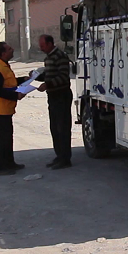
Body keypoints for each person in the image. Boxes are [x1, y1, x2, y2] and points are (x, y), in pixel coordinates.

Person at [0, 42, 28, 176]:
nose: (12, 49)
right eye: (9, 49)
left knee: (7, 137)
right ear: (3, 53)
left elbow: (9, 82)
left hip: (5, 109)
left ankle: (9, 162)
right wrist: (16, 95)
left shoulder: (3, 65)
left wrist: (24, 79)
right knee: (1, 138)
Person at [36, 35, 74, 170]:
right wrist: (35, 77)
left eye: (43, 46)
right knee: (54, 128)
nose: (41, 48)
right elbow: (49, 75)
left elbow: (63, 77)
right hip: (52, 96)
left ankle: (65, 158)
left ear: (50, 44)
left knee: (62, 128)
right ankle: (59, 155)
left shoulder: (60, 56)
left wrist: (47, 84)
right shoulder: (48, 58)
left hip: (61, 95)